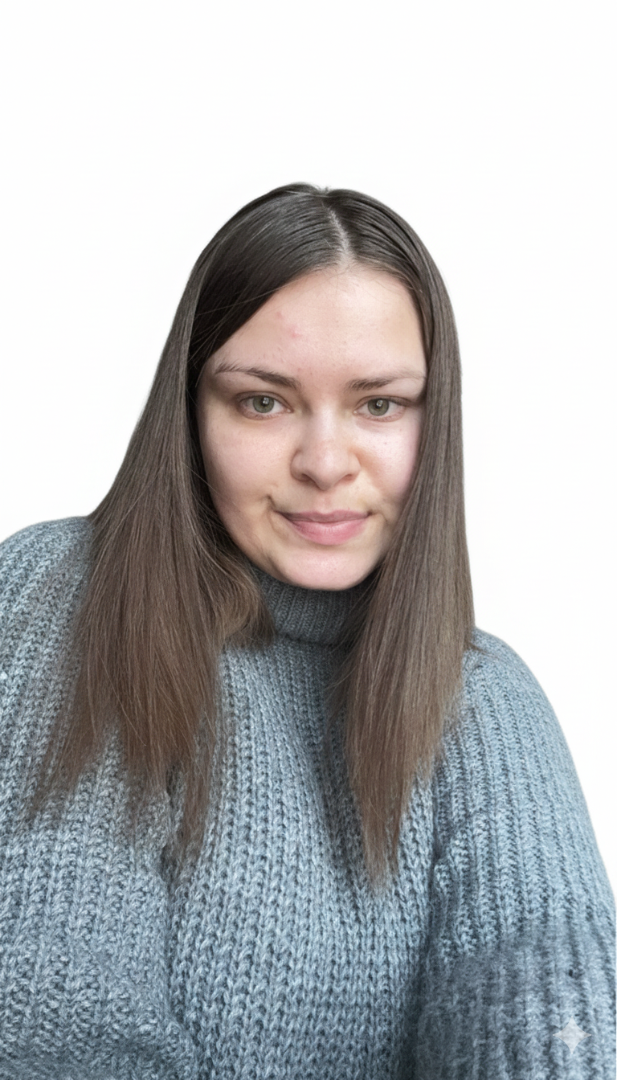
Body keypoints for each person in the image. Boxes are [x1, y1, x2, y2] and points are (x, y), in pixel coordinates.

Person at [0, 183, 613, 1080]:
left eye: (379, 405)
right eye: (263, 402)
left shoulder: (482, 694)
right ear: (191, 413)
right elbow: (50, 1021)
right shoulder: (72, 593)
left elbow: (552, 1013)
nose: (325, 463)